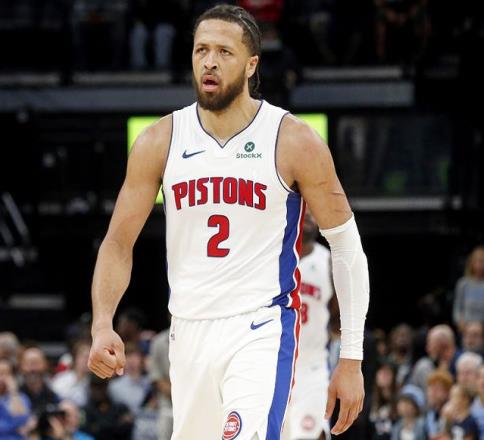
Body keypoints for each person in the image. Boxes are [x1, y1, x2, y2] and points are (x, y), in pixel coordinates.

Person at [88, 4, 370, 439]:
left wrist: (351, 357)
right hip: (188, 331)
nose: (209, 62)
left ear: (252, 64)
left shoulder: (293, 139)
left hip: (260, 327)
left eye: (224, 51)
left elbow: (347, 245)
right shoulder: (159, 141)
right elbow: (117, 242)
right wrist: (102, 322)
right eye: (201, 50)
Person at [282, 212, 334, 440]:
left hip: (312, 366)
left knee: (310, 435)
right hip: (273, 362)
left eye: (314, 212)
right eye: (305, 210)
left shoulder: (329, 261)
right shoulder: (272, 257)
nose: (310, 216)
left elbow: (339, 316)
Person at [0, 358, 32, 439]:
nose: (1, 378)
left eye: (6, 373)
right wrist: (13, 427)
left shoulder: (21, 397)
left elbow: (22, 421)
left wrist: (14, 392)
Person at [453, 246, 484, 333]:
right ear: (472, 263)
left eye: (483, 261)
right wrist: (460, 322)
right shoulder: (463, 283)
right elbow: (457, 307)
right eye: (478, 261)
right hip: (466, 327)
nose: (480, 265)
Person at [425, 369, 453, 439]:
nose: (432, 393)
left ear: (447, 393)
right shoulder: (430, 414)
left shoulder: (451, 413)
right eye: (430, 388)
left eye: (437, 389)